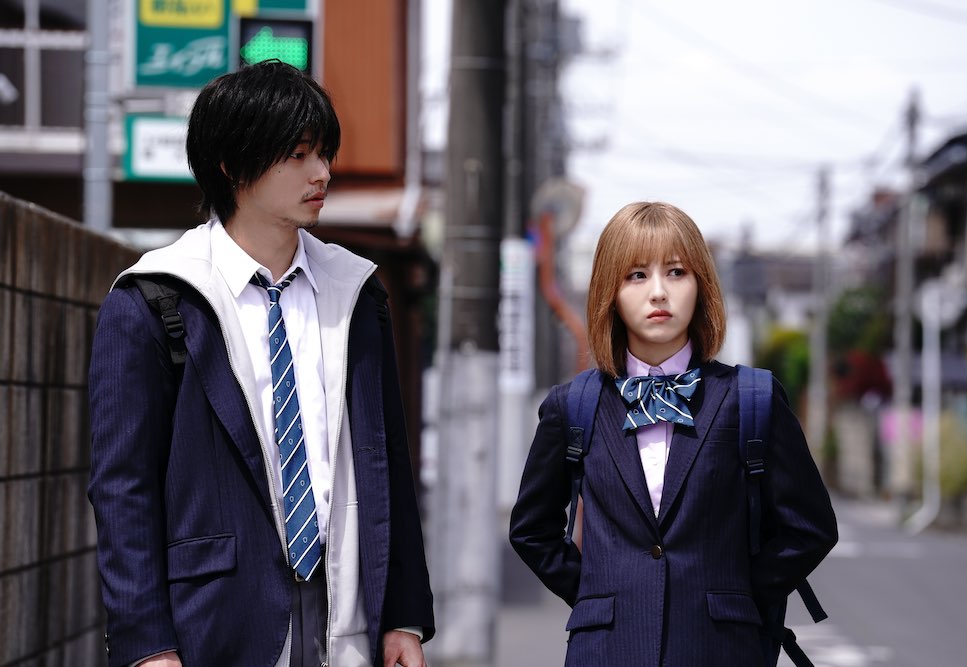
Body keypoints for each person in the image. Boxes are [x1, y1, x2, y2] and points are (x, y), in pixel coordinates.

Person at [87, 60, 434, 667]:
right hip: (215, 621)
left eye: (324, 153)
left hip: (345, 614)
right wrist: (147, 644)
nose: (321, 173)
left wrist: (403, 615)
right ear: (232, 163)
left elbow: (388, 462)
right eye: (298, 154)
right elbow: (123, 488)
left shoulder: (358, 293)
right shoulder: (157, 297)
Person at [509, 201, 838, 666]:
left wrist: (738, 596)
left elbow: (811, 527)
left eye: (677, 272)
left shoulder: (752, 397)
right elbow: (531, 530)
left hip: (721, 650)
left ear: (701, 285)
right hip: (605, 651)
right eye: (636, 275)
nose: (659, 292)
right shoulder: (573, 405)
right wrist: (597, 597)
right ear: (610, 290)